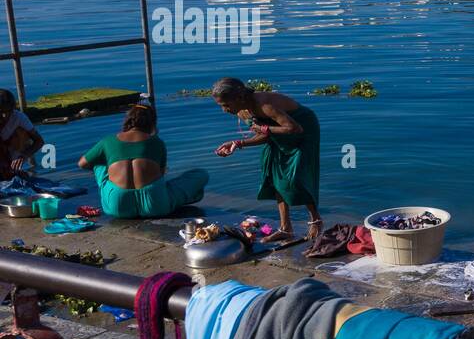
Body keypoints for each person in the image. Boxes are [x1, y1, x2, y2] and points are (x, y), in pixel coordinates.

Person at [211, 78, 322, 241]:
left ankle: (316, 220)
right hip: (278, 132)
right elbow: (264, 136)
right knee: (274, 175)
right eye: (221, 105)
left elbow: (294, 128)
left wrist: (264, 128)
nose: (224, 110)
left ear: (239, 98)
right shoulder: (241, 110)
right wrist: (237, 143)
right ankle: (286, 228)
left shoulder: (265, 105)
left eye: (226, 105)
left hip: (303, 131)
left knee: (297, 177)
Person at [78, 103, 209, 218]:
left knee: (99, 164)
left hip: (117, 207)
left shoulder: (107, 141)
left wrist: (110, 169)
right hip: (155, 206)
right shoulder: (157, 142)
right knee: (201, 175)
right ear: (152, 123)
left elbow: (82, 163)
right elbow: (161, 174)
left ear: (127, 121)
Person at [0, 89, 43, 178]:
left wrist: (23, 156)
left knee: (21, 132)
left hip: (12, 152)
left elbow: (39, 141)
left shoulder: (18, 117)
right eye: (2, 112)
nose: (5, 116)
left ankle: (10, 168)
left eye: (8, 112)